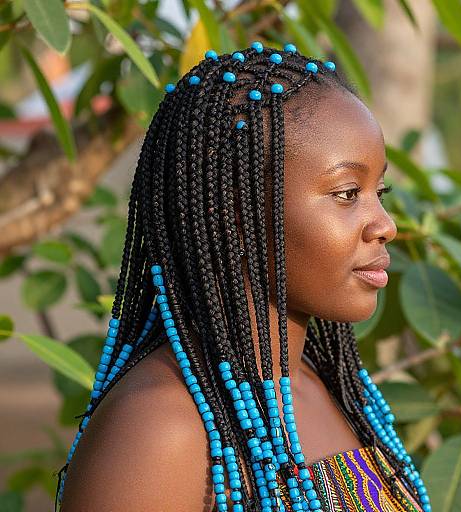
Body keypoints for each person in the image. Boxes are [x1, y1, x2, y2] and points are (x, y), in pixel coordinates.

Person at [55, 41, 430, 512]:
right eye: (347, 192)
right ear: (231, 211)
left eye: (381, 190)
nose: (386, 225)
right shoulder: (160, 428)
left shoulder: (326, 385)